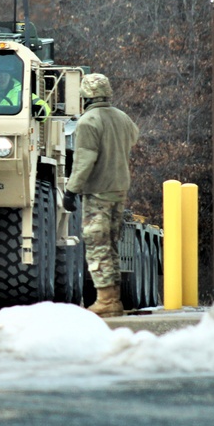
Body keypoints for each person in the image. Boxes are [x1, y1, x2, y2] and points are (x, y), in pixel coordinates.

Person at [62, 73, 139, 318]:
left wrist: (71, 189)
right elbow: (133, 138)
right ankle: (112, 299)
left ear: (85, 96)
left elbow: (84, 161)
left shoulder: (88, 121)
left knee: (97, 245)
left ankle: (106, 300)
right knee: (110, 245)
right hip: (118, 189)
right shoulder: (122, 117)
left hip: (98, 191)